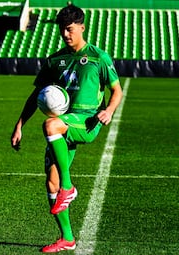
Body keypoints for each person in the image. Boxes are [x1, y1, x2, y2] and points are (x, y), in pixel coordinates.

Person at [10, 5, 123, 253]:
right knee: (51, 182)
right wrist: (19, 125)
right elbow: (36, 94)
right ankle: (67, 238)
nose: (65, 34)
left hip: (87, 121)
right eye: (62, 29)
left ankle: (68, 186)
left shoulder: (98, 57)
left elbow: (117, 90)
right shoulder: (55, 60)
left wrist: (109, 111)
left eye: (70, 29)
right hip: (64, 124)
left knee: (50, 124)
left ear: (82, 27)